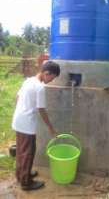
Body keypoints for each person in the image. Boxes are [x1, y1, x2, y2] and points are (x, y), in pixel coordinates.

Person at [12, 60, 60, 191]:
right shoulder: (39, 87)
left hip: (19, 119)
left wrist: (21, 111)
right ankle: (26, 183)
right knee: (28, 152)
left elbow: (17, 97)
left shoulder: (29, 81)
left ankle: (21, 175)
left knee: (21, 151)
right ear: (46, 73)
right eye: (52, 78)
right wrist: (51, 128)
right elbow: (41, 110)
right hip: (27, 124)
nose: (51, 81)